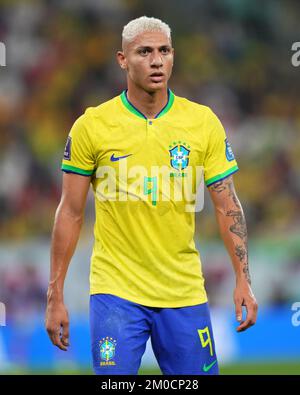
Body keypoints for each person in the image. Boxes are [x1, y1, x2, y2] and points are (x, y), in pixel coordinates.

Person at [45, 16, 258, 375]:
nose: (156, 60)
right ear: (122, 60)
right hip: (115, 294)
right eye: (144, 52)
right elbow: (69, 213)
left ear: (173, 56)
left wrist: (243, 278)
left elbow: (227, 207)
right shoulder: (92, 126)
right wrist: (55, 295)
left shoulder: (202, 122)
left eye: (164, 51)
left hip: (184, 291)